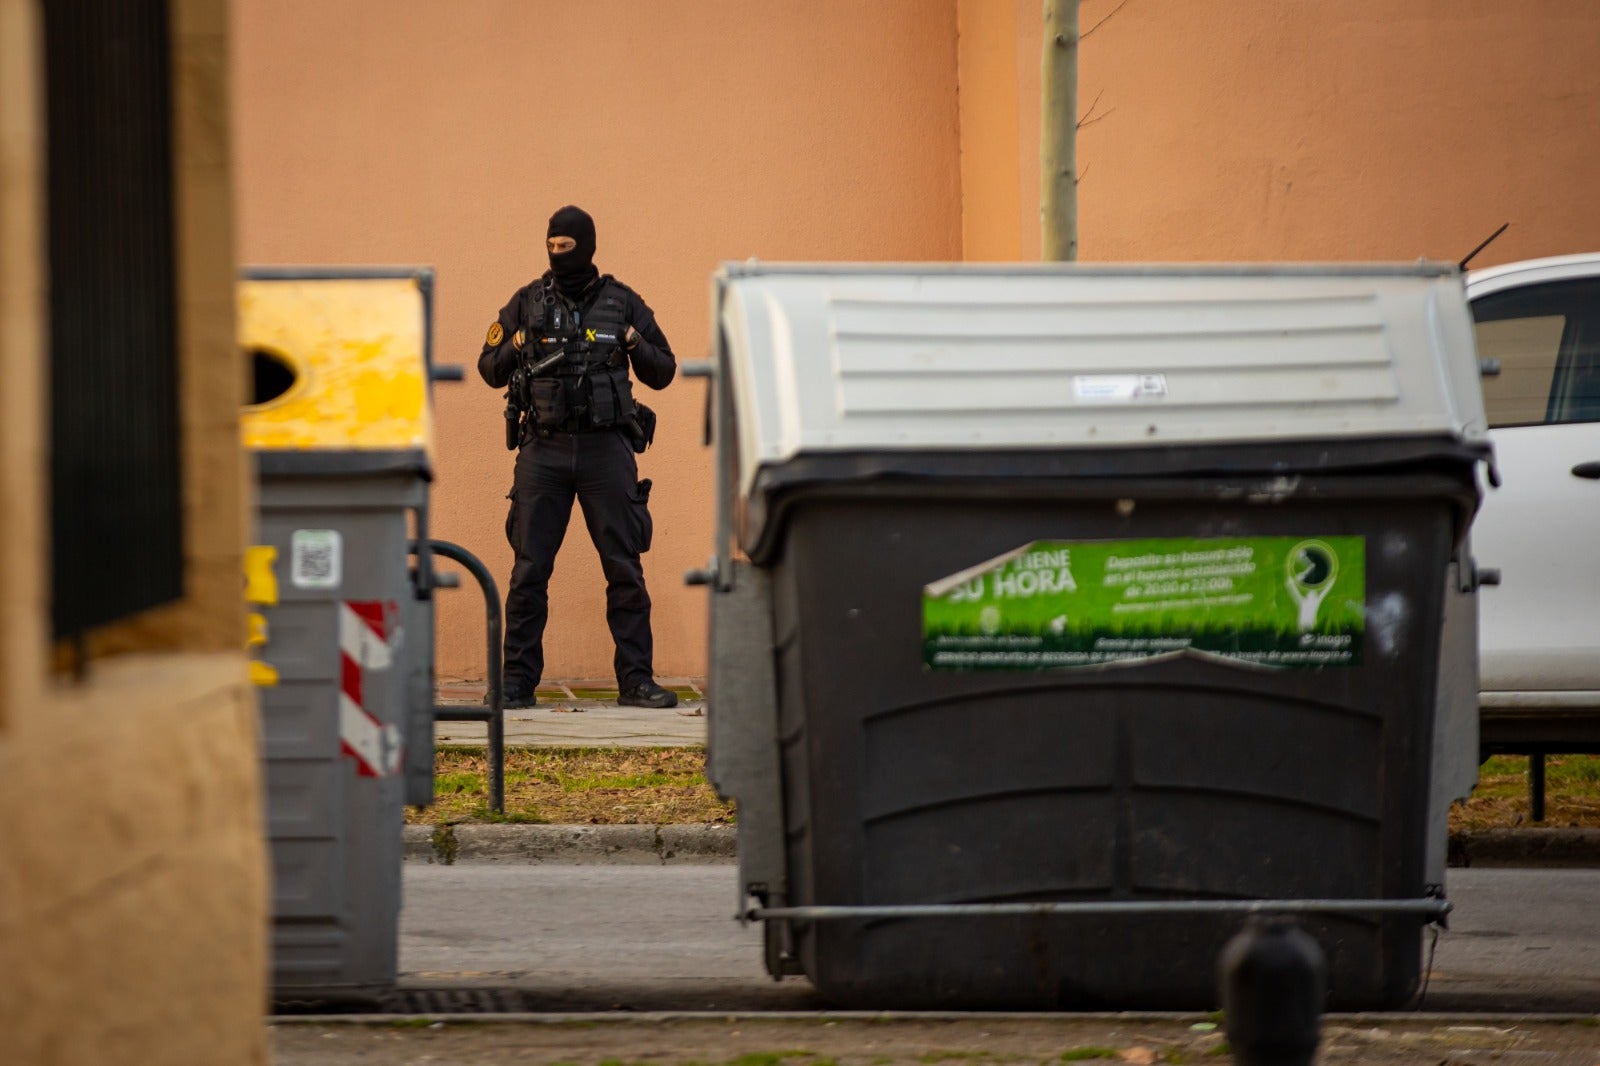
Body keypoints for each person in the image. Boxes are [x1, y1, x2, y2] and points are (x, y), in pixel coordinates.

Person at [477, 205, 678, 709]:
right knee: (529, 569)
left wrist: (632, 340)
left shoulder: (622, 302)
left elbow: (664, 369)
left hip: (605, 450)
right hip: (543, 448)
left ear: (587, 246)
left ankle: (636, 681)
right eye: (552, 246)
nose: (558, 255)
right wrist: (516, 343)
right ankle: (516, 683)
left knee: (624, 567)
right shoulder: (526, 302)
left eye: (567, 246)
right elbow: (488, 367)